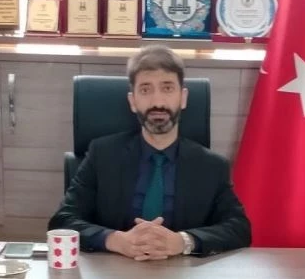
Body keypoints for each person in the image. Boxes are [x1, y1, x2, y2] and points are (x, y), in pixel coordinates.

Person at [48, 45, 251, 259]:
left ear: (183, 98)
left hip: (183, 271)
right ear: (133, 101)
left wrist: (183, 241)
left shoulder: (211, 166)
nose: (158, 102)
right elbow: (62, 220)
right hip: (114, 269)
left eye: (167, 88)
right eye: (145, 90)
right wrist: (116, 240)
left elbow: (239, 229)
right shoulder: (102, 154)